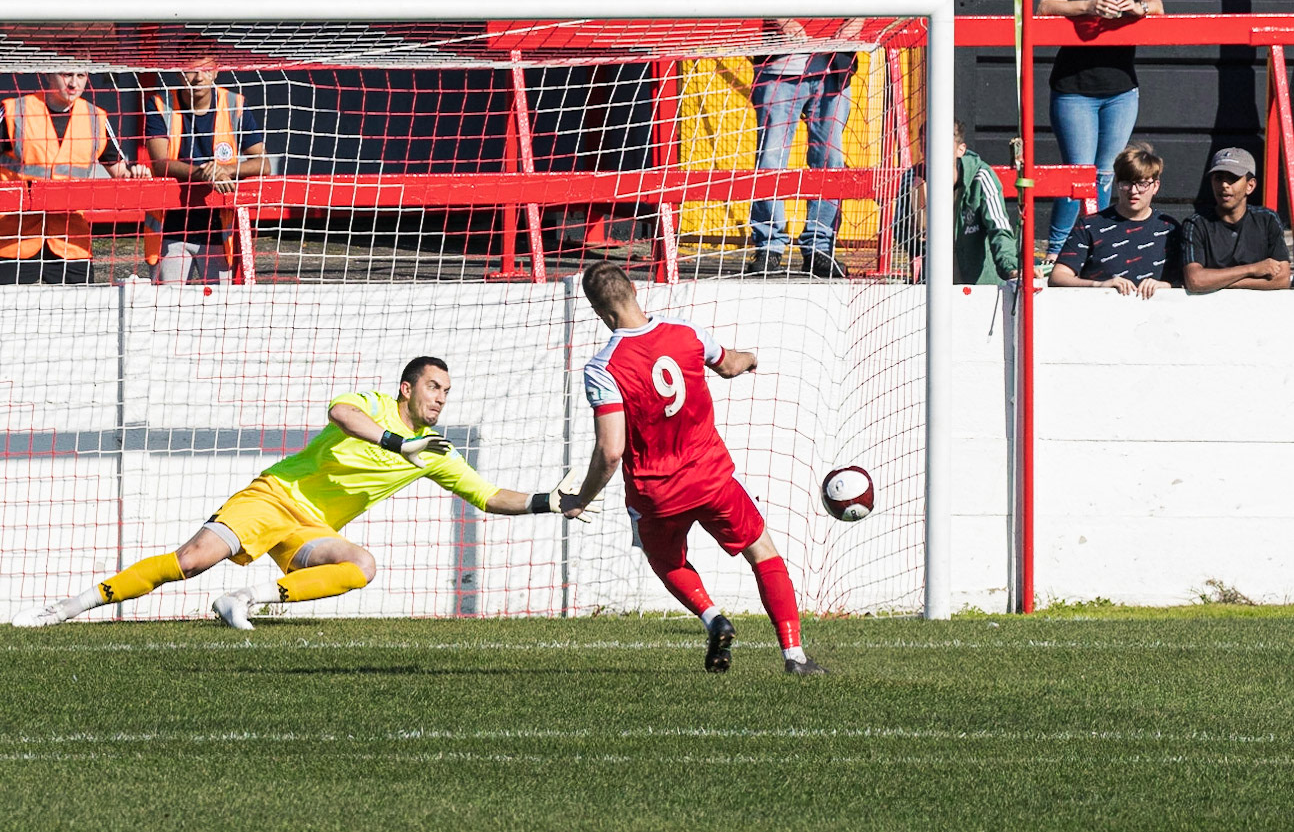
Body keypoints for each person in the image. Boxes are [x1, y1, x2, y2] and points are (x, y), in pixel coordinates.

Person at [11, 356, 583, 630]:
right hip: (274, 496)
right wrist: (395, 443)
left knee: (362, 565)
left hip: (310, 531)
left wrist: (549, 502)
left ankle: (246, 598)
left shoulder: (435, 449)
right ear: (407, 388)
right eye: (434, 387)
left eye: (448, 391)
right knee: (189, 562)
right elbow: (340, 412)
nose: (442, 398)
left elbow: (487, 496)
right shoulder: (378, 408)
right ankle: (70, 607)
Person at [560, 262, 826, 675]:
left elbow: (610, 452)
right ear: (633, 288)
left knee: (667, 562)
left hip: (655, 494)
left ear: (599, 311)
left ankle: (712, 618)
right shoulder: (686, 332)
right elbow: (728, 365)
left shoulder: (603, 367)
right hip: (712, 479)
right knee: (763, 553)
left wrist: (582, 498)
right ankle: (794, 657)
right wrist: (751, 357)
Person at [734, 0, 877, 279]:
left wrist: (855, 21)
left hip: (832, 68)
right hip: (779, 66)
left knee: (829, 157)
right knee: (770, 156)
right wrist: (782, 19)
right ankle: (769, 245)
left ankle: (819, 245)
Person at [1036, 0, 1164, 266]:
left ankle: (1097, 247)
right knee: (1077, 171)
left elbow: (1158, 7)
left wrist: (1137, 7)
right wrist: (1087, 6)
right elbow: (1045, 6)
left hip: (1121, 89)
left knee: (1108, 172)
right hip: (1075, 90)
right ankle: (1056, 252)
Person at [0, 71, 151, 284]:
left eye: (80, 76)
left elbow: (120, 172)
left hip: (70, 240)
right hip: (14, 239)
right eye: (66, 75)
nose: (73, 83)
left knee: (78, 313)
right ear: (47, 75)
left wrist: (136, 174)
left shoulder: (95, 118)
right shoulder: (14, 111)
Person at [145, 57, 270, 284]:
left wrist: (224, 169)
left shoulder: (235, 104)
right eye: (191, 70)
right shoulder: (160, 104)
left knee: (217, 312)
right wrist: (204, 172)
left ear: (216, 72)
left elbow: (263, 163)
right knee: (164, 311)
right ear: (179, 73)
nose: (199, 77)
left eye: (205, 70)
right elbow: (160, 163)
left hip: (219, 231)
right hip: (171, 230)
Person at [1048, 143, 1180, 297]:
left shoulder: (1170, 228)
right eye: (1126, 184)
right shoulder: (1089, 225)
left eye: (1142, 184)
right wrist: (1100, 285)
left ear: (1155, 186)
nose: (1134, 191)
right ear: (1117, 183)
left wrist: (1165, 286)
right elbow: (1058, 277)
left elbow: (1189, 279)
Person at [1180, 147, 1290, 293]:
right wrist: (1252, 269)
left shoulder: (1267, 219)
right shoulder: (1196, 224)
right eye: (1218, 178)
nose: (1224, 185)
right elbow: (1195, 280)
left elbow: (1282, 279)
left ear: (1250, 186)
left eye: (1232, 178)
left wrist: (1222, 283)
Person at [952, 119, 1020, 284]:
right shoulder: (914, 181)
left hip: (981, 286)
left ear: (961, 150)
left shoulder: (981, 176)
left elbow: (999, 227)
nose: (931, 150)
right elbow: (900, 229)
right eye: (925, 143)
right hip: (929, 287)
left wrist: (1010, 268)